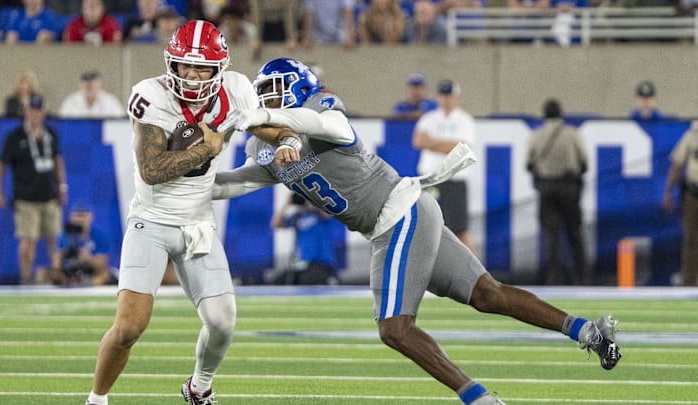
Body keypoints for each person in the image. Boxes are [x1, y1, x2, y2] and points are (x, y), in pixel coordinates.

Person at [212, 57, 622, 404]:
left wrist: (252, 116)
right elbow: (238, 182)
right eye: (261, 94)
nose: (265, 98)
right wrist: (190, 185)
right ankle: (589, 331)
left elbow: (305, 122)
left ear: (298, 88)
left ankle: (480, 399)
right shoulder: (263, 146)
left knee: (395, 328)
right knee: (488, 293)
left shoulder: (323, 110)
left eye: (273, 90)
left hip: (398, 215)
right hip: (405, 215)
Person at [84, 20, 259, 405]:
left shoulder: (238, 90)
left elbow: (268, 127)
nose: (192, 75)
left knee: (222, 321)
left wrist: (290, 140)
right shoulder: (151, 95)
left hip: (198, 222)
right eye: (184, 65)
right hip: (151, 220)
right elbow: (153, 169)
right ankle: (96, 400)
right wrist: (207, 149)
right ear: (171, 64)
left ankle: (199, 388)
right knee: (129, 327)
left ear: (220, 68)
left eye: (201, 67)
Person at [0, 94, 67, 284]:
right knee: (27, 242)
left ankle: (56, 276)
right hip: (25, 198)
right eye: (31, 110)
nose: (35, 114)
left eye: (38, 110)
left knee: (53, 239)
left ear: (43, 112)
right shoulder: (15, 137)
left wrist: (62, 187)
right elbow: (0, 165)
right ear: (26, 112)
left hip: (49, 196)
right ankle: (25, 278)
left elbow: (58, 161)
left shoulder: (50, 134)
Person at [526, 99, 589, 285]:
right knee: (575, 233)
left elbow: (528, 163)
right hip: (569, 187)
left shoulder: (537, 135)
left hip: (546, 188)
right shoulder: (572, 134)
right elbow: (584, 161)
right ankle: (582, 277)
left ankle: (554, 278)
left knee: (551, 236)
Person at [412, 79, 476, 253]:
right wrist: (447, 146)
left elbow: (462, 148)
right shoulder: (429, 118)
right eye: (443, 95)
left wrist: (432, 143)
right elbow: (418, 141)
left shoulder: (465, 120)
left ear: (456, 97)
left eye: (449, 95)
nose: (446, 99)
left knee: (460, 229)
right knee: (429, 228)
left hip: (455, 179)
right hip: (432, 178)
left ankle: (475, 275)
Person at [35, 202, 115, 286]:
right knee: (42, 274)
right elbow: (56, 264)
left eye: (83, 216)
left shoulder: (99, 236)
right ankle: (69, 283)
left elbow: (102, 263)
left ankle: (87, 285)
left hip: (90, 270)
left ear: (90, 217)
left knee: (105, 274)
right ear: (71, 217)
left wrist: (88, 258)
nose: (80, 220)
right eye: (77, 216)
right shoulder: (65, 236)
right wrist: (62, 257)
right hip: (69, 271)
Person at [268, 193, 338, 285]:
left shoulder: (320, 215)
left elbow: (326, 215)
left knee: (308, 280)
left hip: (321, 262)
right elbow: (275, 224)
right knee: (278, 282)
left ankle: (329, 281)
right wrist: (286, 204)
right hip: (302, 262)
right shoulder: (298, 216)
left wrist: (313, 202)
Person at [662, 121, 698, 286]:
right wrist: (669, 191)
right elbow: (677, 164)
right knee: (690, 240)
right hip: (693, 193)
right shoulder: (692, 136)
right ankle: (688, 283)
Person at [59, 70, 125, 118]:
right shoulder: (70, 102)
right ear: (80, 85)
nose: (90, 86)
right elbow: (63, 123)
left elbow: (120, 123)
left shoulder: (111, 102)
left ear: (100, 85)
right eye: (87, 85)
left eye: (93, 85)